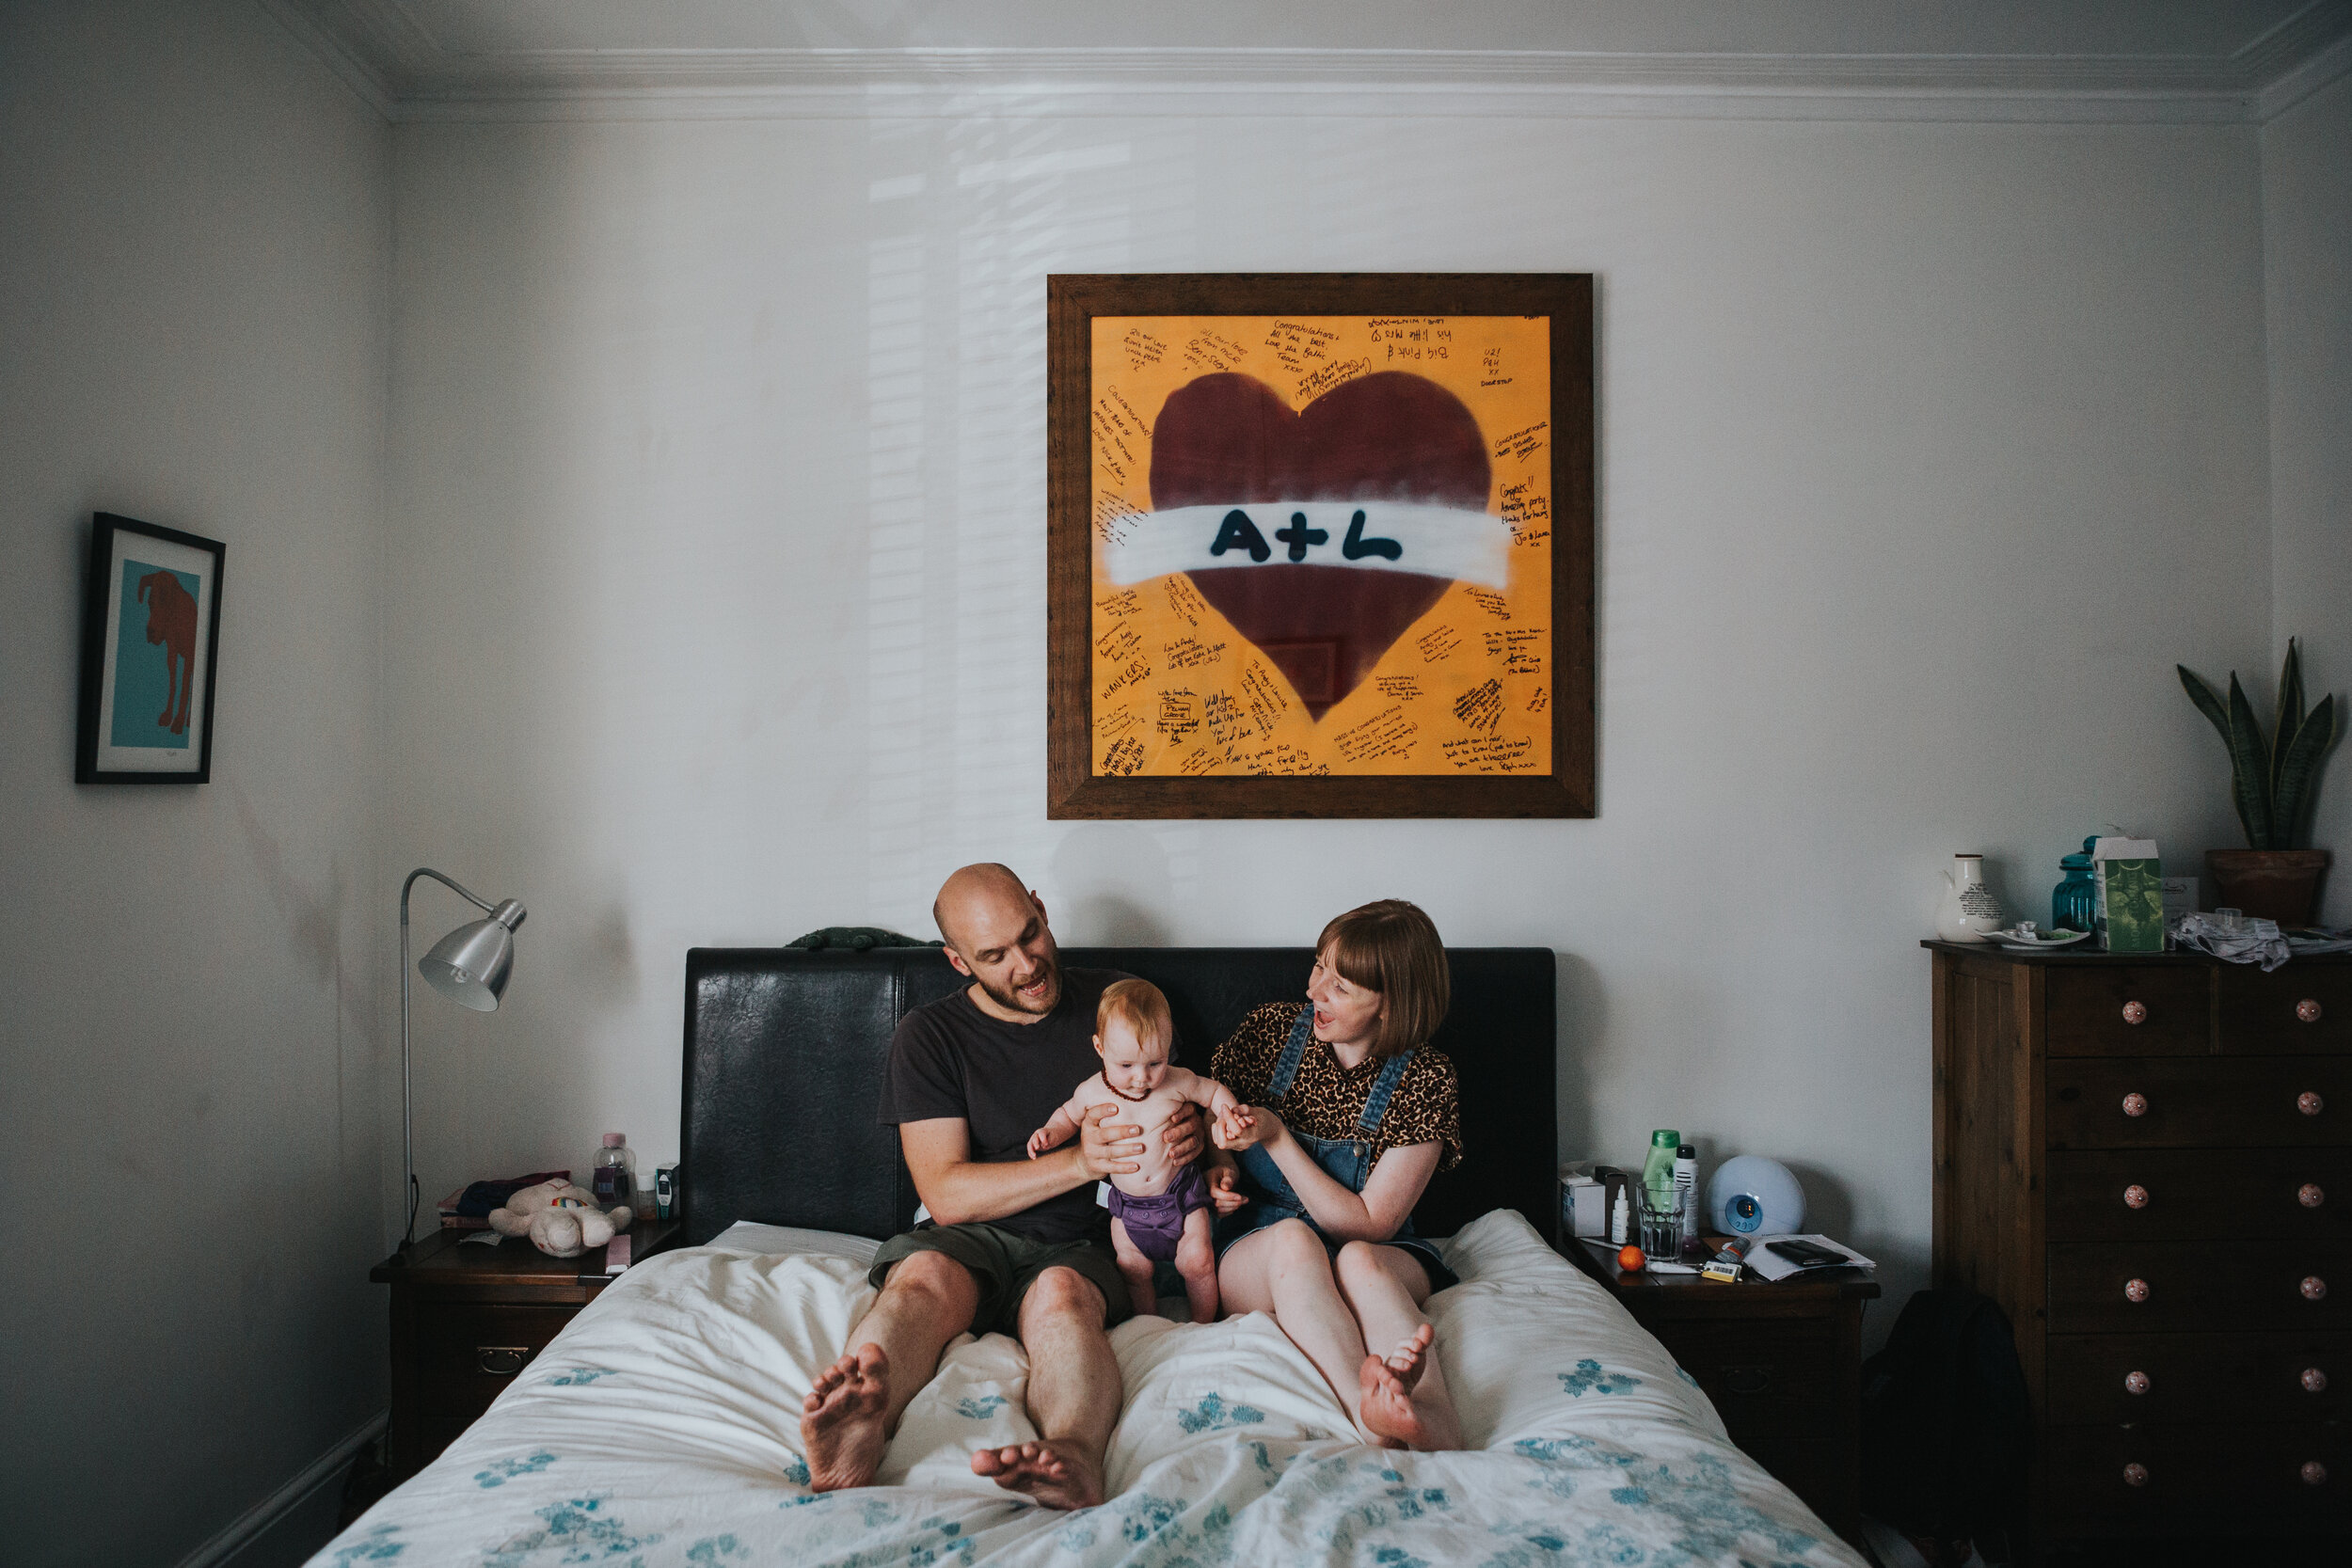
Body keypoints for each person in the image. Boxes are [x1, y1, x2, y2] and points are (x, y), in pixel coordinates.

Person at [798, 863, 1204, 1509]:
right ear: (958, 962)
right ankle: (861, 1421)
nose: (1028, 963)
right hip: (968, 1235)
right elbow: (948, 1192)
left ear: (1040, 907)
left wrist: (1194, 1139)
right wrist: (1079, 1161)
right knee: (923, 1278)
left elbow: (1183, 1111)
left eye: (1031, 933)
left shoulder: (1122, 1008)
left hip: (1079, 1241)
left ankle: (1071, 1452)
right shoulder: (929, 1036)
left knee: (1064, 1300)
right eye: (996, 955)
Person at [1211, 898, 1468, 1450]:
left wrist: (1277, 1137)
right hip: (1259, 1246)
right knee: (1296, 1242)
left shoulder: (1424, 1078)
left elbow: (1370, 1225)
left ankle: (1431, 1414)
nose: (1314, 990)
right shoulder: (1270, 1032)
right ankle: (1367, 1411)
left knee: (1358, 1259)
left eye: (1341, 986)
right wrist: (1220, 1165)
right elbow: (1202, 1114)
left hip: (1376, 1242)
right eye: (1319, 965)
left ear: (1390, 1005)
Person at [1027, 977, 1252, 1323]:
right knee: (1133, 1269)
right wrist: (1050, 1134)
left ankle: (1205, 1325)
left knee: (1199, 1263)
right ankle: (1149, 1325)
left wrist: (1231, 1113)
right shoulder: (1091, 1091)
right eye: (1127, 1065)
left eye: (1155, 1063)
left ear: (1168, 1049)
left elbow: (1213, 1092)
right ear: (1100, 1048)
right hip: (1129, 1208)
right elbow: (1067, 1115)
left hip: (1181, 1198)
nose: (1141, 1077)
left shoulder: (1177, 1081)